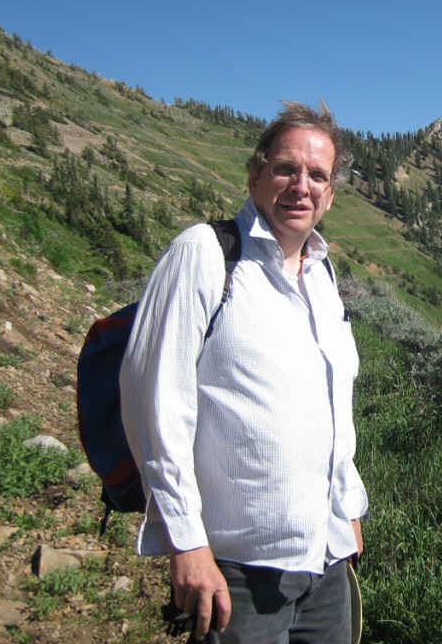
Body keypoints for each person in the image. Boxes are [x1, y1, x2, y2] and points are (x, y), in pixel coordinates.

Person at [120, 101, 368, 643]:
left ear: (330, 194)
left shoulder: (324, 276)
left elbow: (332, 407)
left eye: (317, 176)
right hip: (235, 568)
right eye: (286, 169)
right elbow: (156, 406)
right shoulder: (205, 255)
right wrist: (186, 544)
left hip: (324, 561)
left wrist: (347, 505)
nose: (300, 186)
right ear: (255, 175)